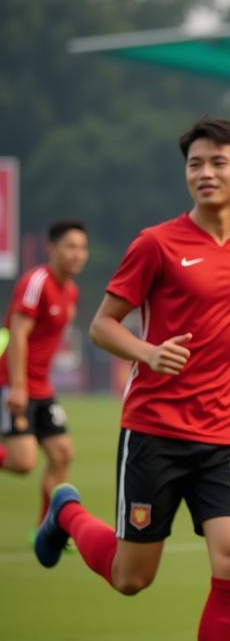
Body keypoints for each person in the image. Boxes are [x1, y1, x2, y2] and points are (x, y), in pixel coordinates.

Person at [33, 117, 230, 641]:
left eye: (218, 163)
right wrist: (147, 352)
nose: (205, 173)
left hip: (225, 430)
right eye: (195, 163)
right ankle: (67, 513)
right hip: (155, 429)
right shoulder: (156, 244)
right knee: (130, 578)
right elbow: (102, 324)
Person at [0, 220, 88, 524]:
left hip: (42, 388)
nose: (77, 254)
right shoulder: (36, 281)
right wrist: (18, 386)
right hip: (12, 381)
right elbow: (17, 335)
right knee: (22, 462)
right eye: (70, 247)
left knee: (62, 453)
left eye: (82, 248)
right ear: (52, 249)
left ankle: (46, 530)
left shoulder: (71, 292)